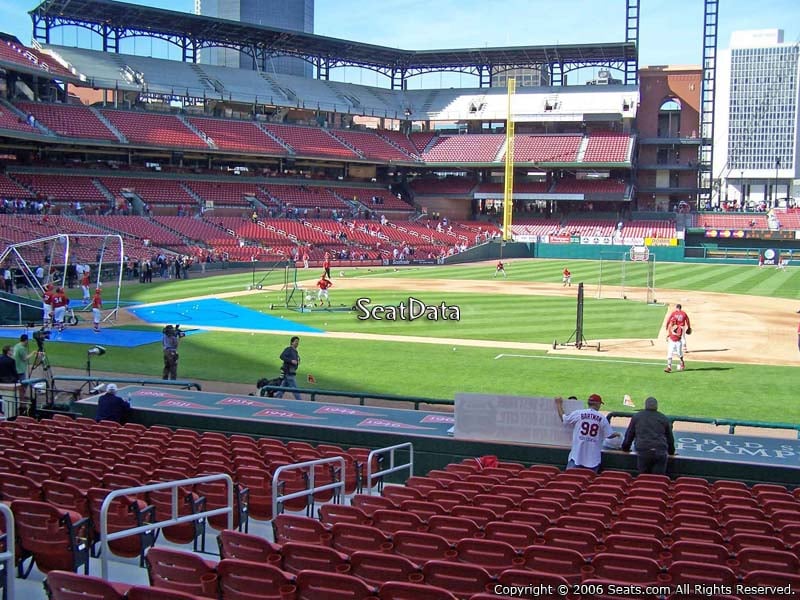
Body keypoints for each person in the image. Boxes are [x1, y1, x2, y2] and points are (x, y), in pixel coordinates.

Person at [555, 394, 620, 472]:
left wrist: (558, 404)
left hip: (576, 457)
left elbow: (564, 419)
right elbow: (609, 435)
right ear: (598, 404)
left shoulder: (578, 413)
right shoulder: (602, 418)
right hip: (593, 460)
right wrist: (617, 434)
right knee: (588, 482)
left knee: (570, 480)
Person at [621, 396, 675, 475]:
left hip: (643, 450)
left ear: (645, 405)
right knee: (658, 480)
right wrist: (671, 452)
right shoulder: (663, 418)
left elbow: (630, 434)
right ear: (656, 406)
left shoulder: (637, 416)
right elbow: (670, 438)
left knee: (644, 478)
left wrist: (625, 448)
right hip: (660, 451)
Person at [12, 334, 36, 411]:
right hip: (20, 369)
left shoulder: (17, 345)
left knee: (20, 384)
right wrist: (33, 353)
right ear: (25, 340)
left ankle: (20, 396)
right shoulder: (22, 348)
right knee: (23, 384)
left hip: (16, 368)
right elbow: (25, 358)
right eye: (27, 340)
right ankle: (21, 400)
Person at [276, 336, 301, 400]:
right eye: (296, 342)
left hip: (291, 372)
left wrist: (297, 362)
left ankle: (276, 399)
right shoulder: (289, 349)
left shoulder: (295, 351)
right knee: (295, 389)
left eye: (298, 342)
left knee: (282, 388)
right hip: (288, 372)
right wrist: (291, 361)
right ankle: (300, 401)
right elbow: (282, 356)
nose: (297, 343)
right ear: (292, 342)